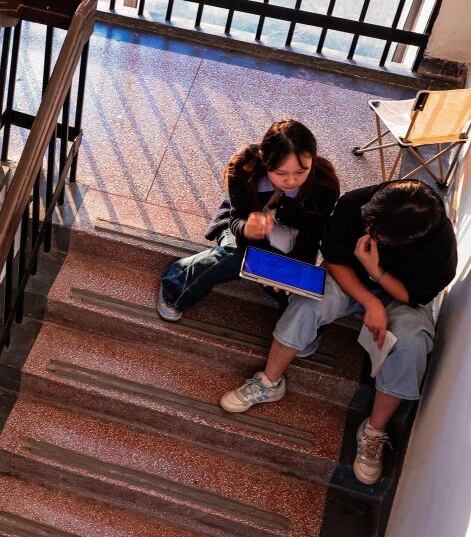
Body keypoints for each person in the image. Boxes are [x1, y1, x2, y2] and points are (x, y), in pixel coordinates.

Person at [220, 178, 458, 485]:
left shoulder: (440, 248)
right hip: (349, 278)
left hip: (398, 294)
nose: (369, 231)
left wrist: (376, 271)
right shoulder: (356, 203)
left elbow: (413, 295)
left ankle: (374, 430)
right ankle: (269, 381)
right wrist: (370, 301)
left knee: (413, 341)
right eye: (369, 223)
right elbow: (334, 260)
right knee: (308, 303)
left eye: (379, 235)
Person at [158, 120, 340, 321]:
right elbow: (235, 218)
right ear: (264, 160)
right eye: (280, 173)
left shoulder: (323, 184)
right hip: (240, 227)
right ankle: (175, 282)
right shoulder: (244, 166)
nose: (291, 181)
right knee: (238, 256)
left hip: (289, 245)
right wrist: (247, 229)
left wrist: (289, 270)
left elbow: (311, 237)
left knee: (295, 295)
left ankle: (296, 330)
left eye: (301, 171)